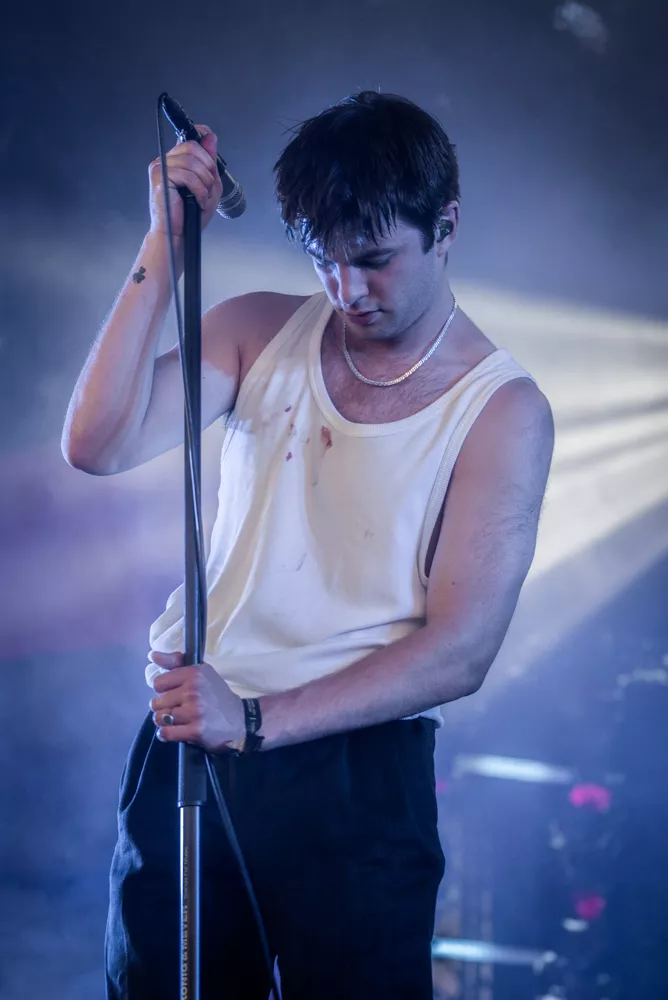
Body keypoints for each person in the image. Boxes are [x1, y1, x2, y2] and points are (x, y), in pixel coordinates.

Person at [62, 91, 554, 999]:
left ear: (445, 226)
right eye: (325, 261)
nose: (347, 290)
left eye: (373, 260)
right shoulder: (260, 330)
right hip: (192, 742)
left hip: (357, 770)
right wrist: (167, 249)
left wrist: (250, 722)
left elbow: (463, 650)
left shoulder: (502, 410)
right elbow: (96, 443)